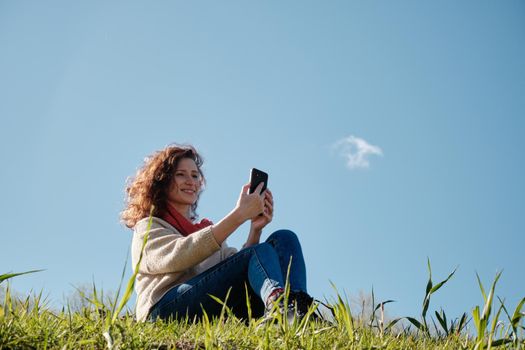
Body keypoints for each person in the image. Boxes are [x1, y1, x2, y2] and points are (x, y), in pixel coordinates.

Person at [121, 144, 316, 322]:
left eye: (195, 176)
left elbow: (241, 265)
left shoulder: (207, 233)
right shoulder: (149, 227)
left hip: (207, 305)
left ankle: (297, 312)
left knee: (284, 237)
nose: (190, 181)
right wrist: (237, 216)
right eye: (181, 174)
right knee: (257, 253)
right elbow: (180, 254)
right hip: (162, 312)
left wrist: (255, 229)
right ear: (162, 181)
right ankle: (279, 304)